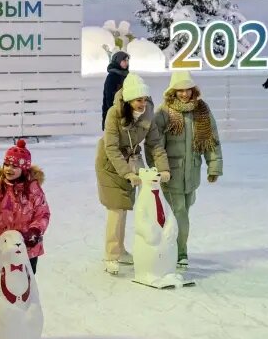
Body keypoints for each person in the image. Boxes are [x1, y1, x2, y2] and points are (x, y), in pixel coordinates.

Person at [95, 72, 170, 275]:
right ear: (128, 100)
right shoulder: (114, 114)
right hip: (109, 164)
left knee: (125, 206)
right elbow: (111, 147)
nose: (142, 104)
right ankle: (111, 255)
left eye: (144, 99)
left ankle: (120, 250)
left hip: (131, 161)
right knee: (116, 208)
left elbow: (155, 144)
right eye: (138, 100)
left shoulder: (148, 115)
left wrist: (163, 168)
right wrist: (127, 173)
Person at [152, 71, 223, 268]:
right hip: (171, 173)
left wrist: (214, 166)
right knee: (179, 212)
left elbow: (211, 140)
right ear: (173, 91)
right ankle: (180, 252)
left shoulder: (202, 110)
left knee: (184, 210)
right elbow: (155, 145)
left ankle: (171, 247)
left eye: (188, 89)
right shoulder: (164, 112)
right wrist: (160, 169)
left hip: (192, 172)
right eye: (180, 90)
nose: (184, 94)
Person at [0, 139, 51, 275]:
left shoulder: (33, 189)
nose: (9, 169)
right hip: (4, 247)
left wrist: (35, 231)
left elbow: (42, 213)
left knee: (26, 281)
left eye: (15, 166)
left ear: (24, 169)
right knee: (4, 281)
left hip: (28, 248)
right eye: (7, 164)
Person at [102, 51, 129, 130]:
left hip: (125, 115)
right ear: (118, 61)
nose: (126, 63)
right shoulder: (112, 77)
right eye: (124, 60)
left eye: (127, 60)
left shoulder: (126, 75)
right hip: (113, 115)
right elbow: (109, 98)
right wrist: (116, 113)